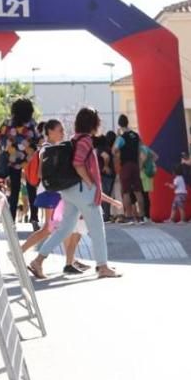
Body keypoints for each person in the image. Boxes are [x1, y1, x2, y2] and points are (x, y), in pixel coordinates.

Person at [28, 108, 122, 279]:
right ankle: (102, 266)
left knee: (65, 229)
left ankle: (38, 260)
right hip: (82, 191)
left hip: (70, 191)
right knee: (97, 228)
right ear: (92, 123)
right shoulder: (85, 140)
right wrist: (89, 183)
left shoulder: (75, 139)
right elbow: (78, 163)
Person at [23, 119, 91, 276]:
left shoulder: (51, 148)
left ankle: (71, 260)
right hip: (50, 192)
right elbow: (41, 173)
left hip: (54, 191)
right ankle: (19, 254)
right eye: (60, 130)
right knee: (49, 228)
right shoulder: (47, 149)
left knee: (65, 226)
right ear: (50, 132)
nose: (63, 133)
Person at [0, 97, 41, 223]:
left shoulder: (7, 123)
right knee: (32, 188)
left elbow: (0, 139)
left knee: (14, 190)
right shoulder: (32, 124)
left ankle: (12, 218)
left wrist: (12, 147)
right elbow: (39, 139)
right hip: (30, 160)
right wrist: (28, 147)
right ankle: (34, 216)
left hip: (12, 160)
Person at [113, 114, 146, 225]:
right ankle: (142, 215)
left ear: (119, 124)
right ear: (128, 122)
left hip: (126, 165)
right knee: (138, 191)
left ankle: (129, 216)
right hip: (135, 165)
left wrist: (118, 138)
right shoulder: (136, 136)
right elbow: (141, 149)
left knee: (126, 191)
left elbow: (114, 150)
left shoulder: (122, 138)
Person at [98, 132, 117, 222]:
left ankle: (105, 216)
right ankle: (107, 215)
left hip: (105, 174)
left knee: (104, 195)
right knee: (108, 195)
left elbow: (105, 157)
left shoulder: (101, 147)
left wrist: (105, 166)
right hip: (112, 174)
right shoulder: (110, 148)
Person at [139, 143, 158, 221]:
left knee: (143, 195)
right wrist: (150, 163)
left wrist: (141, 167)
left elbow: (143, 157)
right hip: (149, 173)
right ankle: (147, 216)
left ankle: (145, 216)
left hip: (144, 173)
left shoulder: (140, 148)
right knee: (146, 195)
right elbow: (156, 156)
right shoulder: (146, 148)